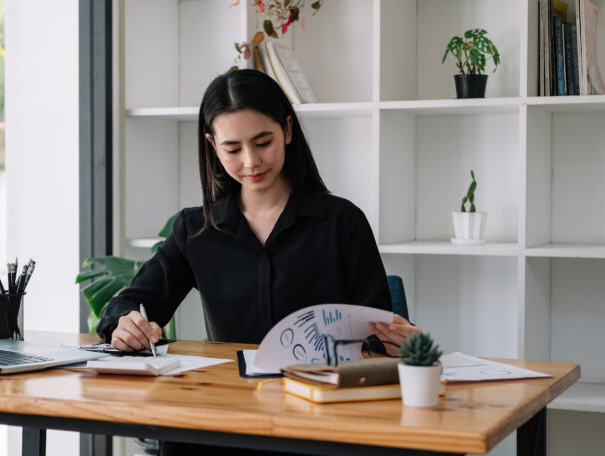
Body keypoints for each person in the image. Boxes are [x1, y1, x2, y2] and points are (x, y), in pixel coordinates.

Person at [97, 68, 420, 358]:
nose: (251, 161)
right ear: (212, 145)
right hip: (232, 403)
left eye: (263, 142)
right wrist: (125, 324)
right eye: (233, 149)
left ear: (287, 131)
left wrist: (399, 341)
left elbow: (378, 330)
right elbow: (131, 303)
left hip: (321, 399)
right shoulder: (196, 229)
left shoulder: (341, 222)